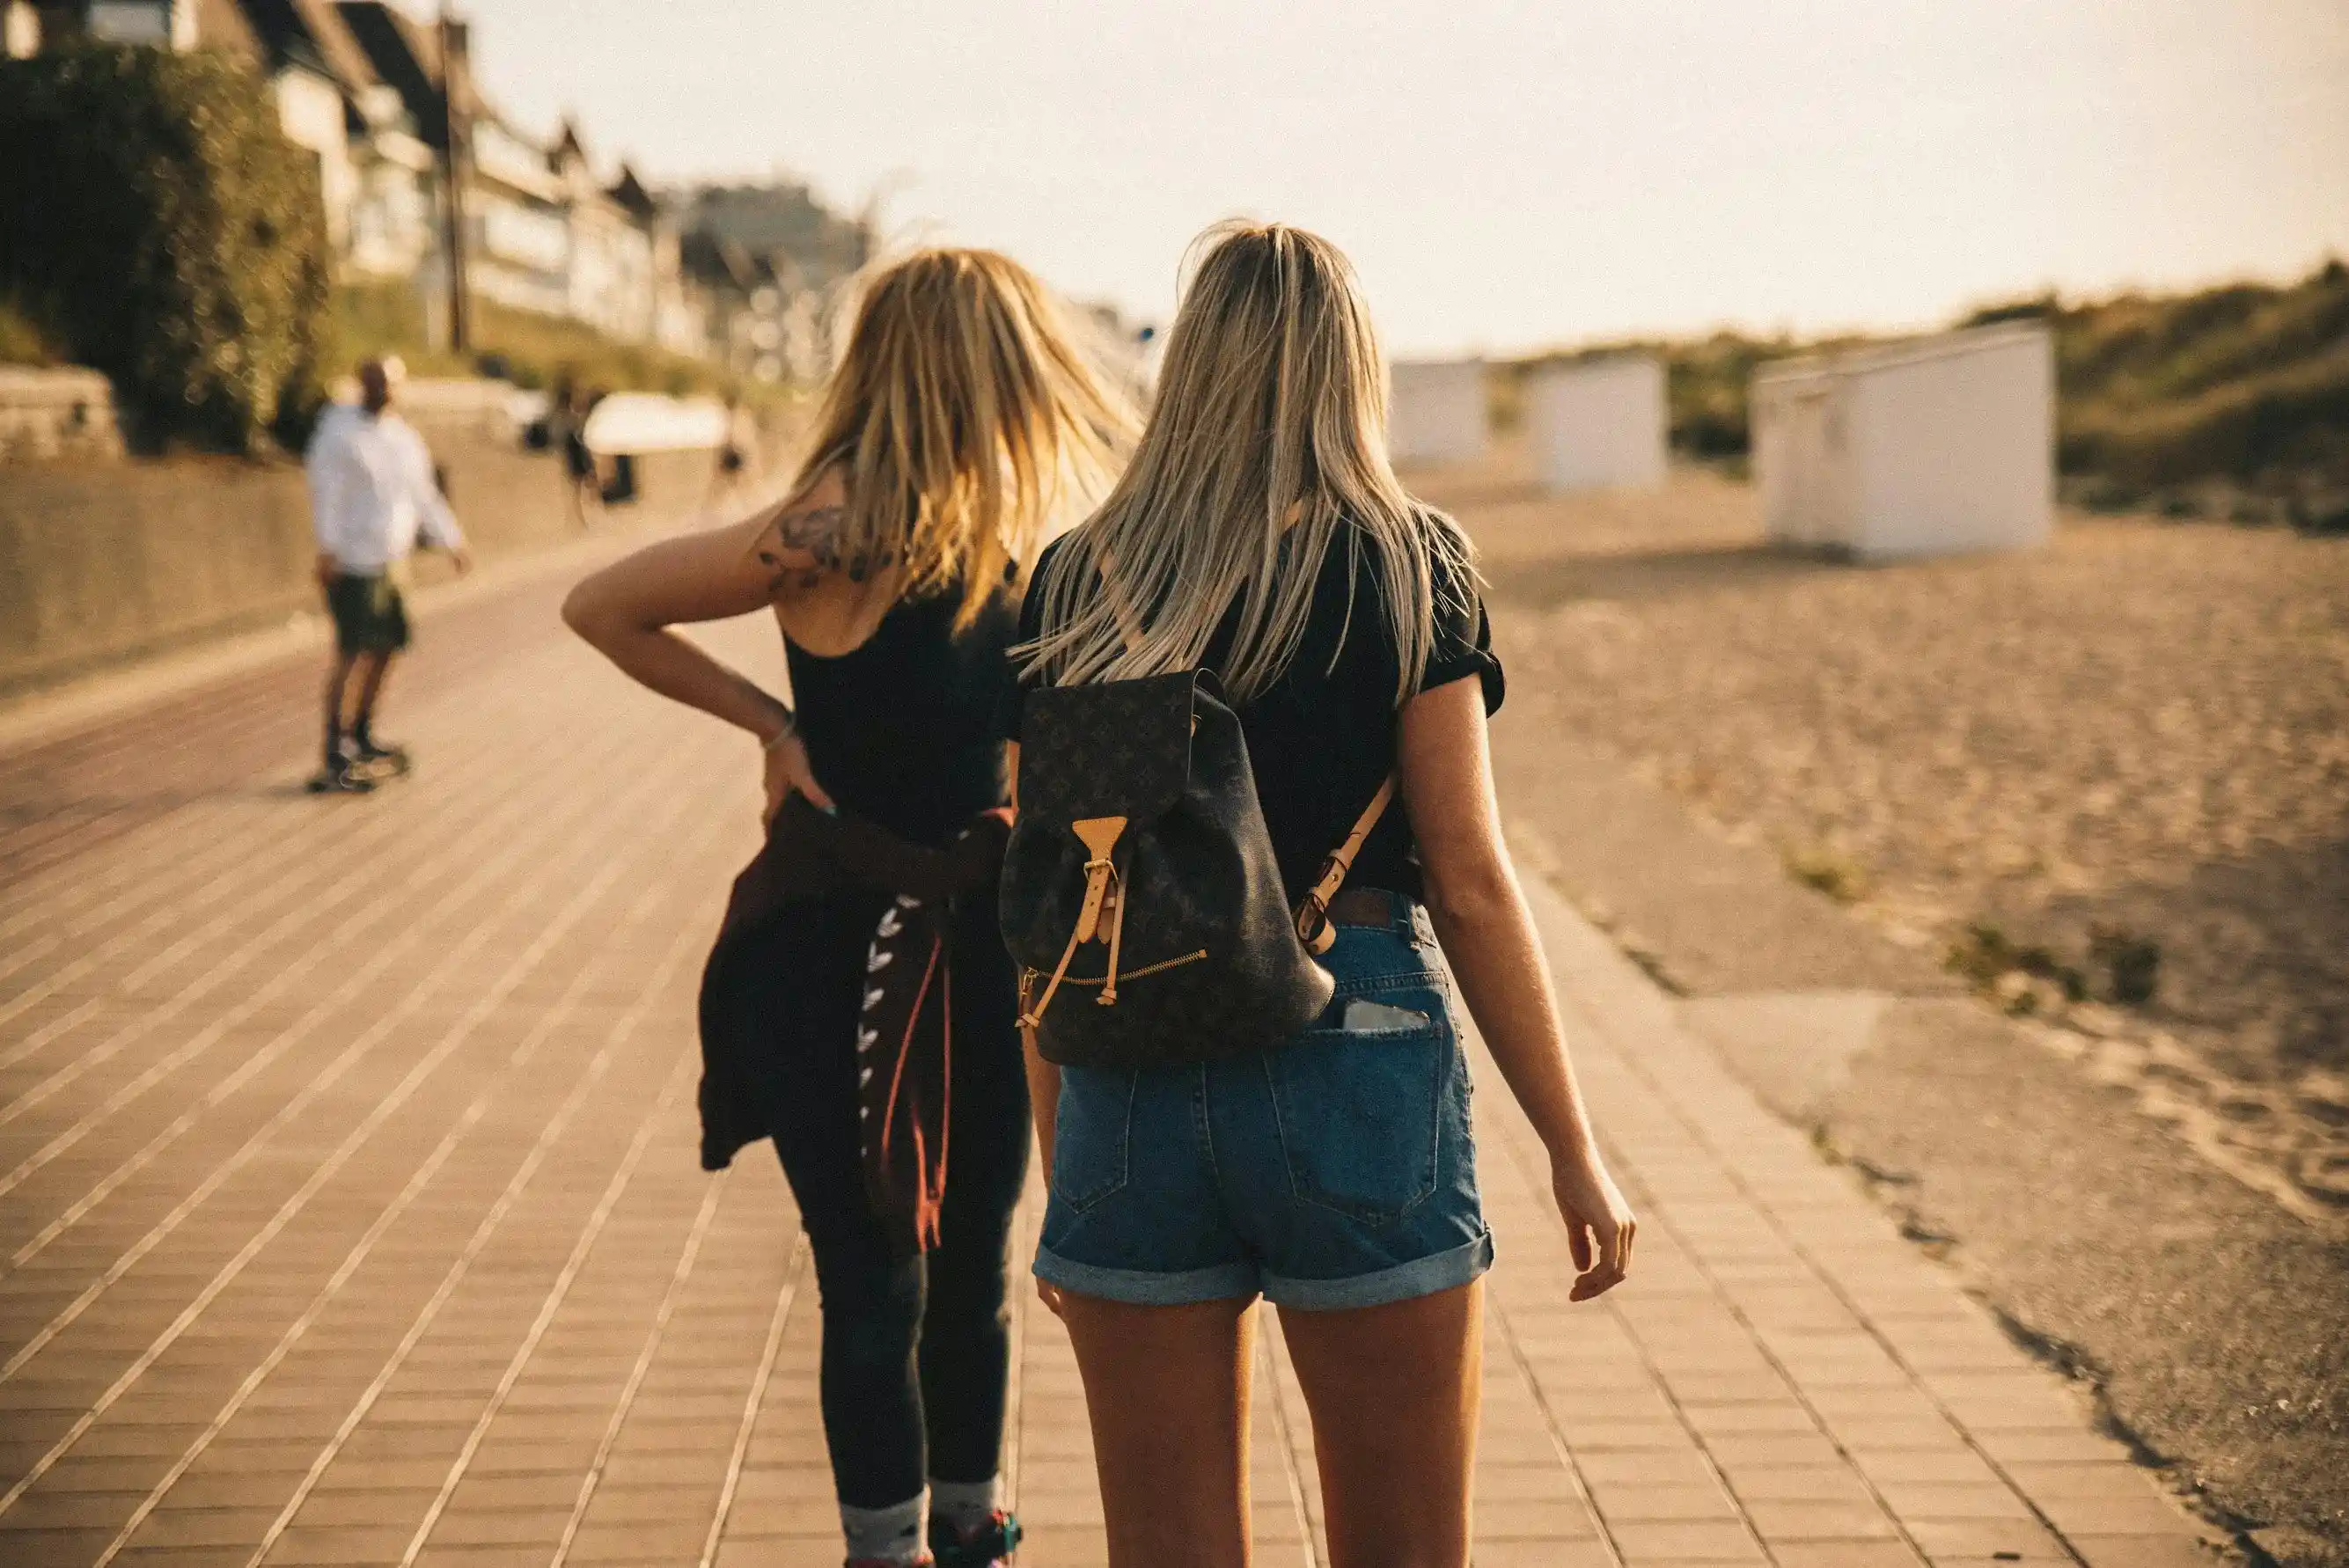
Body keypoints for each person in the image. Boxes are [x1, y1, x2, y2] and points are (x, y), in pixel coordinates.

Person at [997, 222, 1636, 1568]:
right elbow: (1469, 878)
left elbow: (1050, 899)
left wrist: (1067, 1163)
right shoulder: (1407, 562)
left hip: (1127, 1065)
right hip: (1356, 1040)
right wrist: (1571, 1142)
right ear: (1350, 367)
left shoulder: (1074, 576)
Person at [562, 248, 1133, 1568]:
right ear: (987, 366)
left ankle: (938, 1536)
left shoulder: (909, 534)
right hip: (904, 952)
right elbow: (600, 604)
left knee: (922, 1271)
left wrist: (782, 723)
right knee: (918, 1276)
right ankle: (926, 1541)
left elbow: (608, 607)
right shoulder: (920, 536)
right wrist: (770, 724)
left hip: (902, 948)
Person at [305, 356, 471, 794]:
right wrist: (328, 549)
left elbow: (423, 494)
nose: (384, 390)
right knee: (351, 652)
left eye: (391, 383)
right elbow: (327, 493)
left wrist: (452, 540)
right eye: (376, 382)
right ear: (363, 383)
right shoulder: (339, 433)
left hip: (393, 560)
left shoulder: (403, 438)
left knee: (387, 648)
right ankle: (334, 748)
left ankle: (362, 733)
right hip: (353, 560)